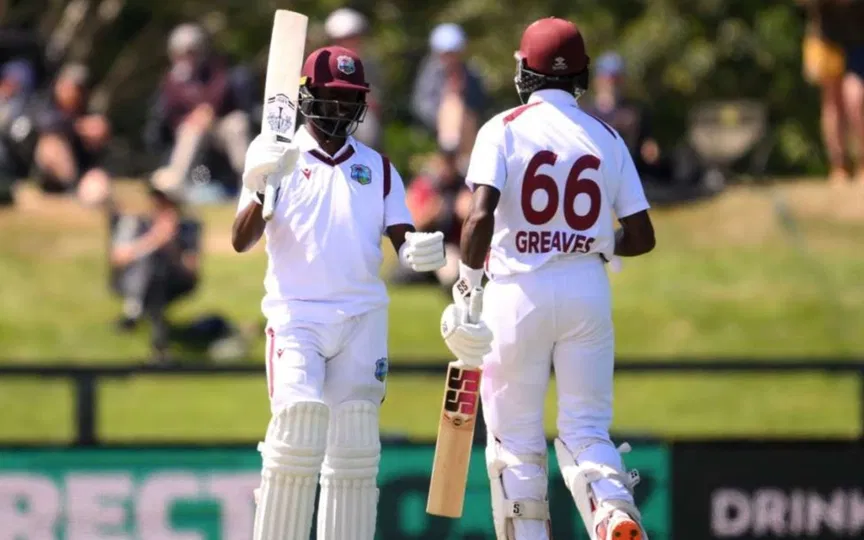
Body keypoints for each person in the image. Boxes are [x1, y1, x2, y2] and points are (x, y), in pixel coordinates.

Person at [440, 17, 656, 540]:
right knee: (585, 429)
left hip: (518, 291)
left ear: (525, 70)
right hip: (586, 292)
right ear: (581, 74)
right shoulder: (605, 134)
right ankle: (613, 513)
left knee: (514, 442)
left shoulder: (504, 127)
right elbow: (643, 236)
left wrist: (468, 286)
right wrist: (600, 242)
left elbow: (478, 215)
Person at [231, 46, 447, 540]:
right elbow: (241, 239)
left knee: (354, 447)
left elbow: (405, 239)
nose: (339, 110)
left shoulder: (379, 168)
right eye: (329, 98)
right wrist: (262, 182)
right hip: (296, 318)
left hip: (362, 319)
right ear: (306, 97)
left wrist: (424, 251)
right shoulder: (275, 155)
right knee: (296, 431)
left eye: (349, 100)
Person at [144, 23, 256, 200]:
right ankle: (174, 186)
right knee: (191, 129)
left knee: (237, 123)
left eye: (191, 51)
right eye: (182, 52)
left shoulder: (216, 70)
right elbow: (169, 113)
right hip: (189, 131)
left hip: (219, 126)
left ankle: (250, 183)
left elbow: (222, 93)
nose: (187, 56)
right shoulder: (170, 80)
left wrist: (207, 110)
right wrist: (194, 116)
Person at [109, 171, 200, 364]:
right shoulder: (135, 222)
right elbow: (118, 257)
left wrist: (171, 244)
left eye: (165, 198)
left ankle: (134, 312)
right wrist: (153, 240)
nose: (159, 202)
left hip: (171, 281)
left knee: (158, 271)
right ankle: (159, 345)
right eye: (157, 196)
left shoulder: (188, 226)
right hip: (131, 280)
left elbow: (191, 270)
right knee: (152, 266)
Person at [799, 0, 864, 186]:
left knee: (855, 98)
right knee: (832, 103)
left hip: (859, 37)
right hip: (826, 37)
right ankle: (838, 167)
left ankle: (862, 164)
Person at [390, 148, 470, 289]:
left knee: (451, 269)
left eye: (451, 162)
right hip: (421, 247)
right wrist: (432, 212)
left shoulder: (463, 187)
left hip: (448, 249)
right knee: (401, 275)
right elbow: (411, 225)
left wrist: (465, 212)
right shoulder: (425, 186)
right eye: (445, 161)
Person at [33, 63, 112, 205]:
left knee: (97, 190)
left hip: (83, 170)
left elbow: (101, 136)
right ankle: (71, 187)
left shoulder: (89, 109)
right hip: (51, 176)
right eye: (69, 86)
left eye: (78, 88)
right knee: (51, 144)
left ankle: (80, 192)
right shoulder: (45, 104)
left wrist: (99, 132)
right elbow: (44, 124)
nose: (73, 92)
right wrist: (79, 127)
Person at [411, 23, 488, 168]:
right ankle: (450, 150)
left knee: (455, 105)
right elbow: (422, 104)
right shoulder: (431, 73)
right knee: (451, 106)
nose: (450, 57)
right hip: (437, 126)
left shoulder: (471, 73)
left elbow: (479, 104)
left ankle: (454, 152)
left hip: (467, 126)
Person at [324, 7, 384, 149]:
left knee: (367, 128)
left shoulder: (369, 65)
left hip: (360, 118)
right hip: (329, 116)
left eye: (353, 38)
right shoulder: (322, 64)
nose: (350, 43)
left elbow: (374, 102)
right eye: (344, 39)